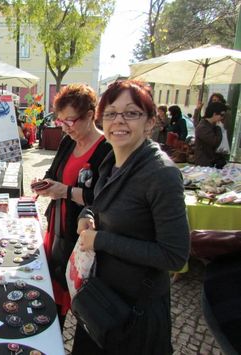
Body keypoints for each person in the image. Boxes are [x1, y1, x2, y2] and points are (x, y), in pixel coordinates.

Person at [75, 80, 189, 354]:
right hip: (102, 296)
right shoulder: (113, 160)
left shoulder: (162, 174)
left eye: (131, 113)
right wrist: (86, 214)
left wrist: (100, 240)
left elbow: (174, 255)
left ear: (150, 122)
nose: (119, 121)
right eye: (111, 113)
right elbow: (100, 203)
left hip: (134, 313)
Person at [31, 83, 112, 329]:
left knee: (74, 291)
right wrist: (43, 183)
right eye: (61, 121)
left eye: (70, 121)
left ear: (90, 115)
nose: (65, 128)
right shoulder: (68, 142)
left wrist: (65, 191)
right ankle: (49, 332)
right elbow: (53, 171)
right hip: (56, 227)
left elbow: (101, 199)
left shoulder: (106, 149)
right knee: (52, 291)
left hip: (79, 236)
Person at [194, 101, 227, 168]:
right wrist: (219, 128)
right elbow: (215, 142)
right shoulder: (203, 127)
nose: (222, 118)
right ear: (214, 114)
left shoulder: (211, 125)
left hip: (212, 161)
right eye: (222, 115)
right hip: (204, 164)